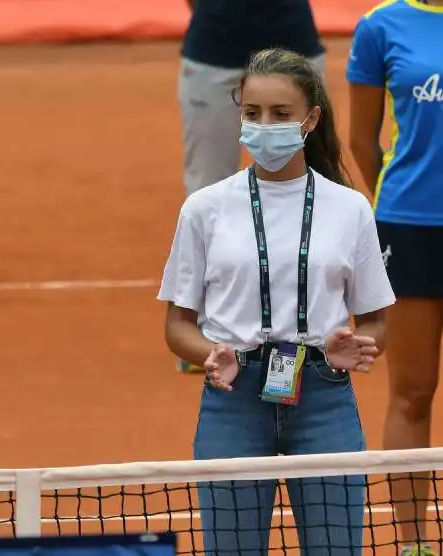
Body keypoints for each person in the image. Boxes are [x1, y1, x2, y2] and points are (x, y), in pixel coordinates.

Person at [158, 48, 396, 553]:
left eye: (280, 114)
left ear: (310, 119)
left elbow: (375, 320)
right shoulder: (204, 209)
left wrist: (356, 344)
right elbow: (178, 325)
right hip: (233, 399)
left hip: (325, 398)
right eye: (252, 114)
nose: (264, 126)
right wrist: (208, 353)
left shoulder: (350, 209)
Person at [175, 0, 326, 373]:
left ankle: (310, 326)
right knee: (206, 194)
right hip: (215, 52)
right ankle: (205, 333)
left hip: (294, 53)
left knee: (306, 188)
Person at [347, 1, 443, 554]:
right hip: (409, 229)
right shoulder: (380, 26)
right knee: (412, 393)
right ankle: (413, 544)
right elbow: (364, 140)